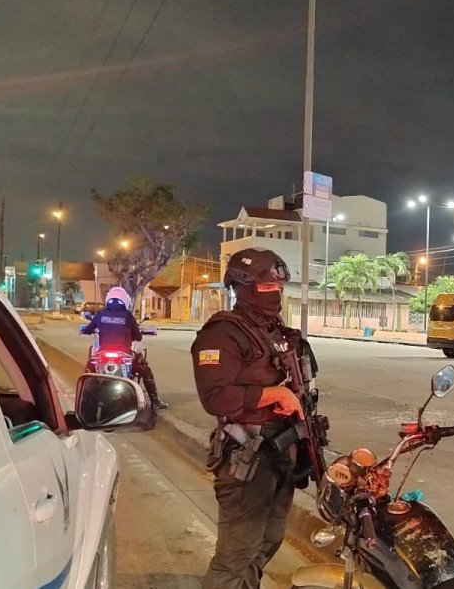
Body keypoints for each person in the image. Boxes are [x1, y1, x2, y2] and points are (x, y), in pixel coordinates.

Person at [191, 248, 314, 589]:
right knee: (237, 554)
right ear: (242, 287)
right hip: (246, 458)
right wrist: (275, 395)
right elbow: (215, 397)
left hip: (280, 454)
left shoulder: (277, 333)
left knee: (268, 540)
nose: (275, 293)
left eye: (278, 287)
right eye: (266, 287)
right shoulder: (222, 334)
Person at [82, 286, 168, 409]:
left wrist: (86, 330)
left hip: (103, 352)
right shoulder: (128, 316)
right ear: (125, 301)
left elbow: (87, 329)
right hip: (124, 353)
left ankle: (85, 401)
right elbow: (138, 337)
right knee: (145, 370)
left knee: (89, 370)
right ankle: (155, 402)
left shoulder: (101, 314)